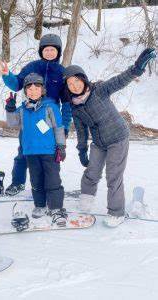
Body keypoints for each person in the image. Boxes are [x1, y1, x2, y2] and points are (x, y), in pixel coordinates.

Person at [63, 48, 156, 227]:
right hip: (99, 142)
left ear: (83, 79)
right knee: (91, 172)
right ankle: (86, 200)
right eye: (70, 84)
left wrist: (137, 68)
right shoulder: (74, 107)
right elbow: (81, 131)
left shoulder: (99, 89)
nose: (74, 86)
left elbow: (120, 81)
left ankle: (116, 212)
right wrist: (82, 150)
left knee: (113, 175)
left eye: (76, 81)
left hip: (118, 137)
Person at [0, 33, 72, 196]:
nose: (49, 53)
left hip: (50, 118)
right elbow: (17, 84)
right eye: (46, 50)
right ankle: (17, 182)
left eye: (53, 50)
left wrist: (65, 127)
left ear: (58, 52)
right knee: (23, 151)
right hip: (30, 116)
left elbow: (66, 104)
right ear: (41, 51)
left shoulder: (62, 72)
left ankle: (50, 184)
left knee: (51, 155)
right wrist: (6, 74)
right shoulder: (32, 67)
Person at [6, 73, 67, 225]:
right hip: (30, 152)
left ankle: (56, 208)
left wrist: (61, 146)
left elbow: (58, 127)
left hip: (49, 151)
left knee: (52, 180)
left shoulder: (50, 106)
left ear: (42, 90)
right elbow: (12, 124)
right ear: (25, 91)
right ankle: (40, 205)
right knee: (36, 180)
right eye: (29, 88)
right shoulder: (22, 109)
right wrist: (10, 109)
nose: (33, 91)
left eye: (36, 88)